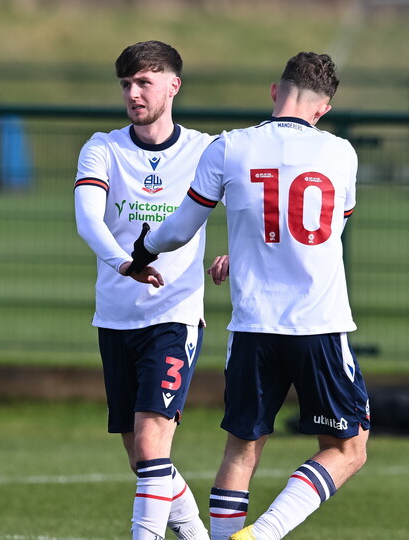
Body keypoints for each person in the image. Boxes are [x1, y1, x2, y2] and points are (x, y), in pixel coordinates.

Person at [125, 52, 370, 540]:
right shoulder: (341, 153)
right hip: (317, 325)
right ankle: (262, 534)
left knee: (240, 451)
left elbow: (179, 230)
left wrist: (142, 252)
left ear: (275, 92)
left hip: (253, 327)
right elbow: (319, 234)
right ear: (322, 109)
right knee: (348, 449)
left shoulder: (229, 147)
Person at [74, 40, 215, 540]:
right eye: (126, 84)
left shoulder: (206, 150)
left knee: (154, 446)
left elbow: (251, 207)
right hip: (116, 317)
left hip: (173, 316)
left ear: (173, 86)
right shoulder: (103, 148)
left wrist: (236, 257)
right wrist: (124, 264)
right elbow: (88, 219)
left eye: (144, 82)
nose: (133, 93)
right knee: (141, 458)